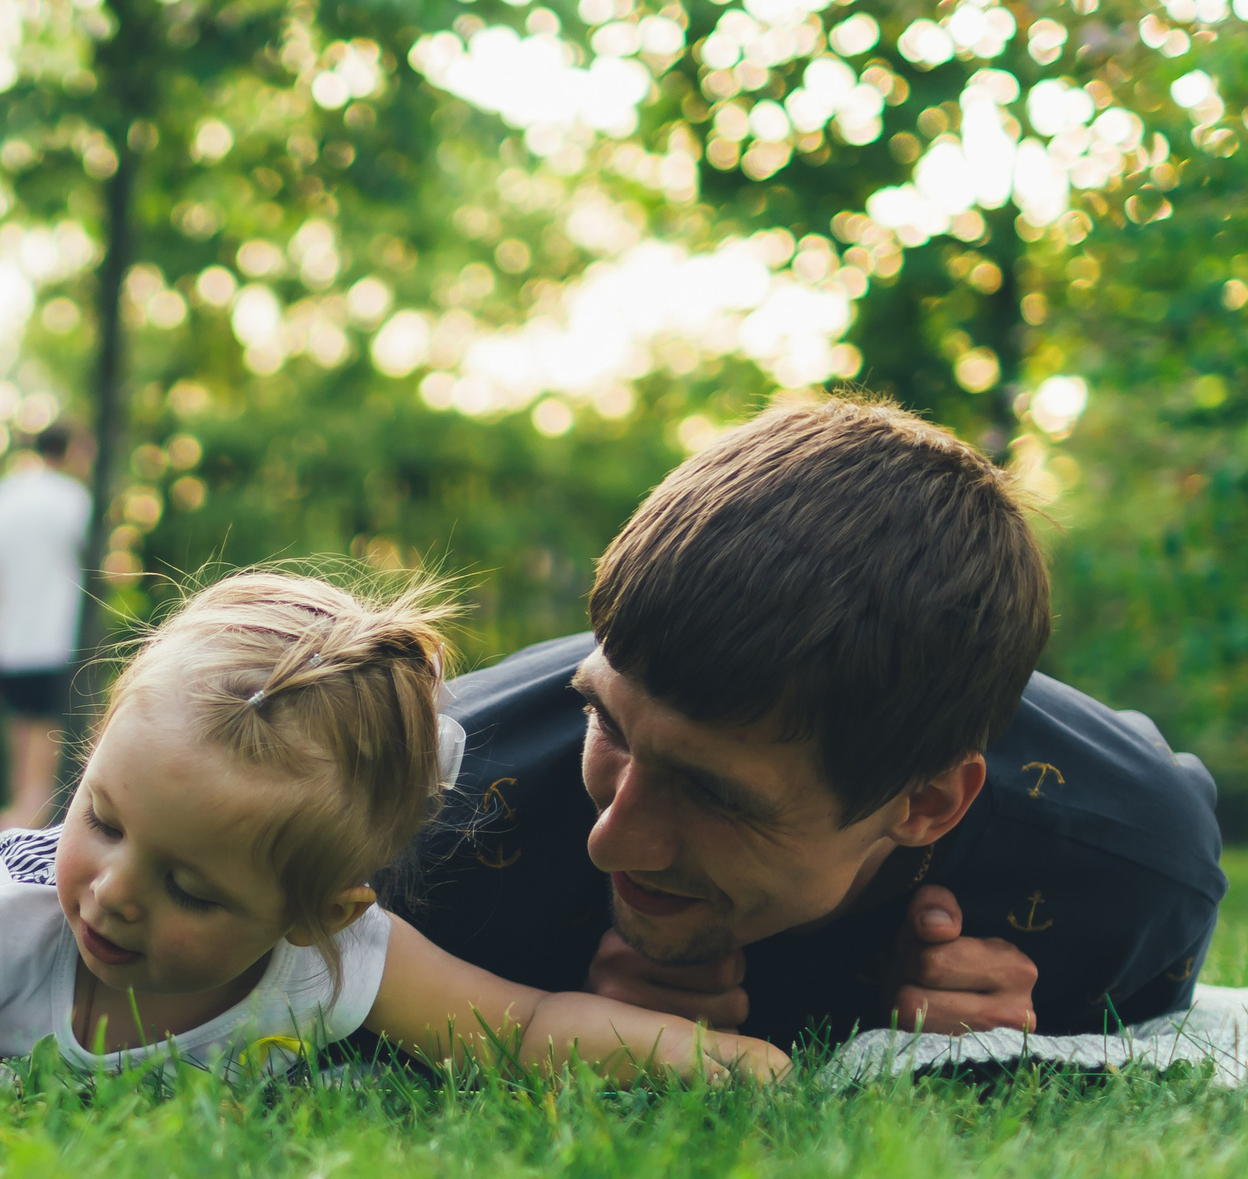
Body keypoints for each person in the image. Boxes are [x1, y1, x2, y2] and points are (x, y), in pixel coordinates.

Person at [386, 396, 1226, 1053]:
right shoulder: (420, 807)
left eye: (714, 794)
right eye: (608, 725)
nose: (613, 840)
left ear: (928, 804)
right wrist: (531, 1005)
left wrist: (1046, 1018)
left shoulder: (1125, 868)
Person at [0, 571, 789, 1094]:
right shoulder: (11, 920)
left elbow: (523, 1030)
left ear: (317, 912)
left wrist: (730, 1062)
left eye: (192, 890)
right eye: (99, 818)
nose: (111, 892)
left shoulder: (332, 964)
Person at [0, 423, 92, 837]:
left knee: (22, 753)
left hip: (9, 645)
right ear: (69, 450)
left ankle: (14, 826)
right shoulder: (74, 500)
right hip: (56, 641)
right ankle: (16, 832)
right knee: (48, 757)